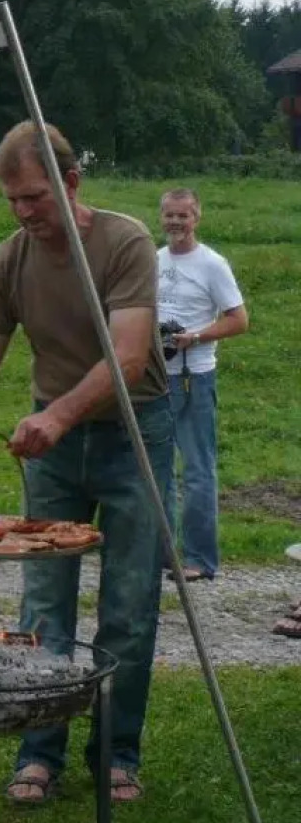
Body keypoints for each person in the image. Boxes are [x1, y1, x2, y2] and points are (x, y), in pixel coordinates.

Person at [0, 121, 173, 806]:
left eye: (34, 197)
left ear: (70, 180)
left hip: (133, 431)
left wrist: (56, 415)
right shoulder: (9, 261)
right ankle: (39, 753)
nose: (24, 212)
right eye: (13, 201)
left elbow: (128, 357)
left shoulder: (124, 242)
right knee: (45, 606)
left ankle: (117, 754)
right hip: (54, 449)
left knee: (129, 606)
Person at [156, 187, 248, 582]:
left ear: (197, 218)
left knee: (197, 471)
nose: (176, 223)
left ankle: (199, 559)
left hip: (194, 375)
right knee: (156, 470)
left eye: (184, 216)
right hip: (156, 377)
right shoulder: (153, 260)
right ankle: (160, 555)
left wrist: (196, 337)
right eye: (170, 215)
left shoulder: (212, 263)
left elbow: (238, 319)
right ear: (161, 217)